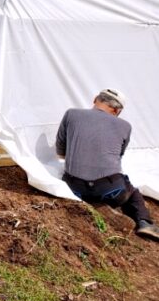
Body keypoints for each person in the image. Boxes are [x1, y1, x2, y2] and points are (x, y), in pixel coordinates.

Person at [56, 89, 159, 241]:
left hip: (74, 188)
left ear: (95, 99)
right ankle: (144, 223)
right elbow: (118, 156)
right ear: (117, 110)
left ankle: (97, 204)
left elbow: (60, 150)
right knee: (132, 191)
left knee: (99, 183)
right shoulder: (125, 126)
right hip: (111, 190)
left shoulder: (71, 114)